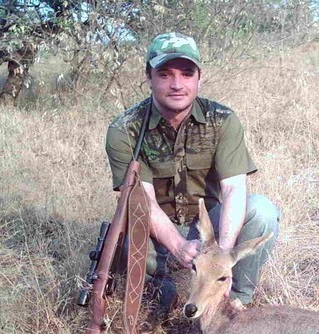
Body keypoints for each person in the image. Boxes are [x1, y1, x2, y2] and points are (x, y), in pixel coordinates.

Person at [105, 32, 280, 312]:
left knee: (261, 211)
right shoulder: (124, 130)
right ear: (148, 77)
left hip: (208, 225)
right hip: (155, 225)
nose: (177, 84)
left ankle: (236, 301)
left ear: (200, 77)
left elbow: (234, 188)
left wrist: (221, 253)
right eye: (164, 74)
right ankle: (159, 302)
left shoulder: (222, 120)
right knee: (127, 241)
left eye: (187, 74)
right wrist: (177, 246)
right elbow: (143, 202)